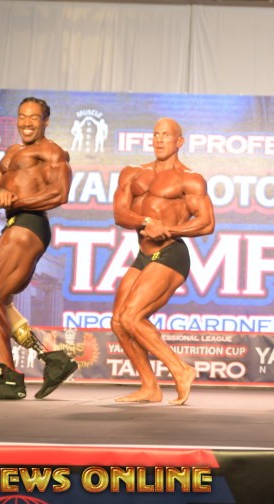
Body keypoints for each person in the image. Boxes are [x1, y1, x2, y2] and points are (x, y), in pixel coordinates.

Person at [0, 97, 77, 400]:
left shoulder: (51, 151)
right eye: (22, 116)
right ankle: (53, 359)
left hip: (28, 224)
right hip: (18, 223)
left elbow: (60, 193)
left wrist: (15, 200)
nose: (27, 123)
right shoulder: (12, 152)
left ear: (45, 121)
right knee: (2, 302)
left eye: (34, 118)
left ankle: (9, 379)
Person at [111, 118, 215, 404]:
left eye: (166, 135)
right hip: (144, 254)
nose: (159, 139)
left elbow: (206, 222)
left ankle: (181, 369)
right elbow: (120, 214)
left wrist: (168, 229)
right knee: (119, 322)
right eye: (156, 134)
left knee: (132, 316)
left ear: (179, 142)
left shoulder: (189, 179)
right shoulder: (133, 173)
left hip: (171, 253)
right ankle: (149, 387)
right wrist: (147, 222)